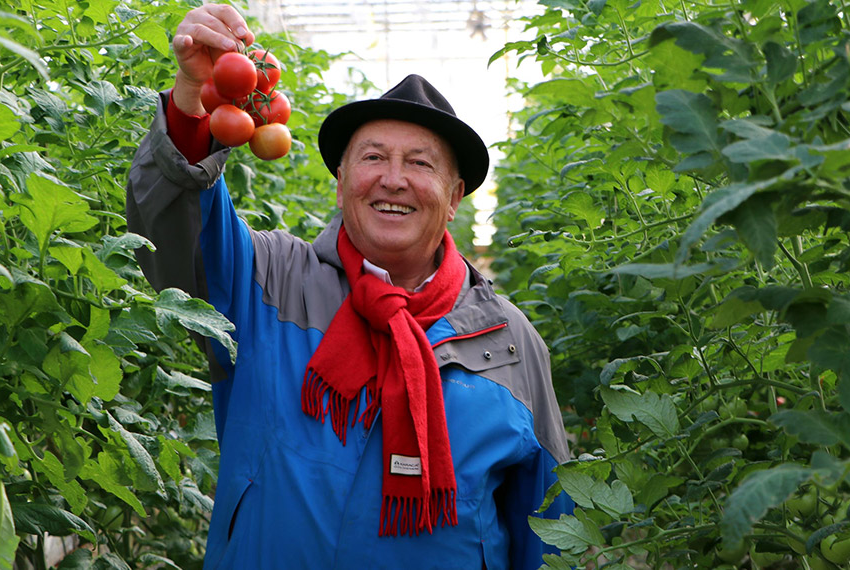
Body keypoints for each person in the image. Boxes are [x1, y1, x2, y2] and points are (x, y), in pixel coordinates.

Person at [125, 5, 571, 569]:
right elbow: (175, 238)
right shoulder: (270, 280)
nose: (393, 179)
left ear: (454, 197)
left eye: (420, 164)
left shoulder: (509, 342)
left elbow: (551, 529)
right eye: (373, 157)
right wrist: (193, 98)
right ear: (341, 184)